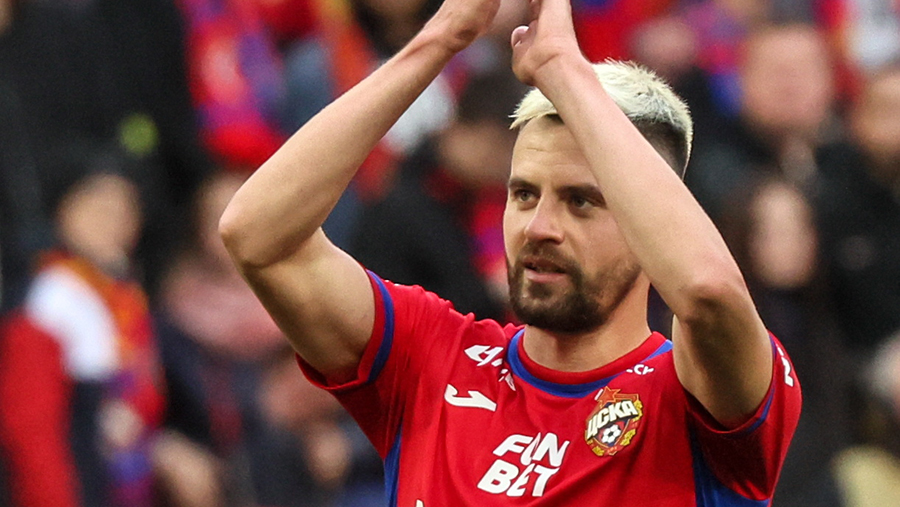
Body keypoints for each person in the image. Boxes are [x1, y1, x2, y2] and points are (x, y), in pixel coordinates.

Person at [219, 0, 801, 503]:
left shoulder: (696, 393)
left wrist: (563, 70)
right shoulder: (430, 358)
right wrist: (440, 39)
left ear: (652, 222)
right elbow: (259, 237)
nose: (539, 227)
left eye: (581, 201)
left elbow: (707, 292)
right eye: (523, 194)